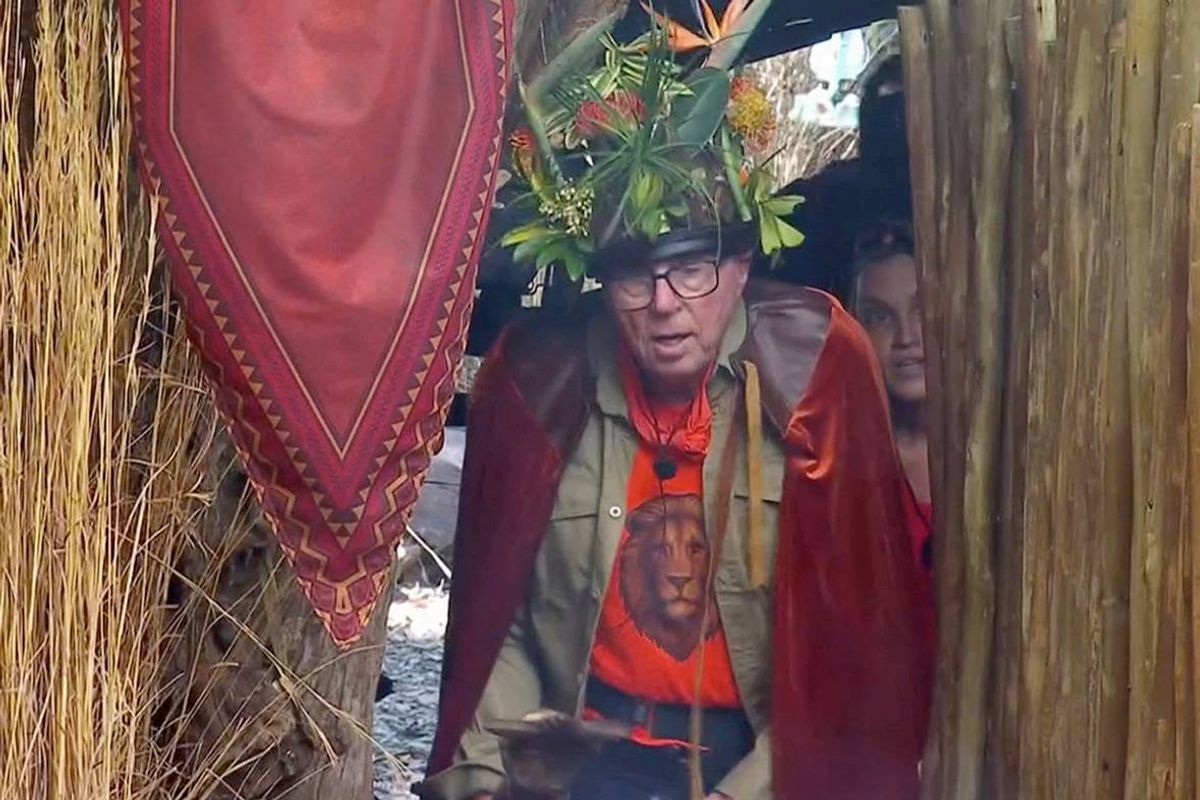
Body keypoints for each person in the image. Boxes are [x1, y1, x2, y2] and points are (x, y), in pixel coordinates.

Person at [417, 29, 933, 800]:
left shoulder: (817, 378)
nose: (665, 306)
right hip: (583, 762)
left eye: (691, 269)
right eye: (635, 277)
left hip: (754, 769)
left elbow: (850, 660)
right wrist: (485, 783)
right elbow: (507, 623)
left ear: (740, 267)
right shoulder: (541, 385)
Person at [851, 219, 934, 602]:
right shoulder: (845, 466)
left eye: (922, 310)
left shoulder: (1001, 451)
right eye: (880, 317)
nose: (906, 337)